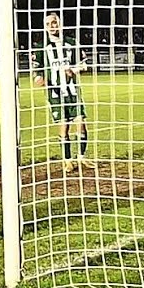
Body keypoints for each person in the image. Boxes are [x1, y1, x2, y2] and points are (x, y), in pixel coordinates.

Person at [32, 13, 91, 172]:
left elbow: (84, 65)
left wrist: (73, 70)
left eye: (54, 22)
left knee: (81, 124)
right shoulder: (41, 47)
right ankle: (67, 160)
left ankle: (81, 157)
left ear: (60, 24)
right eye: (48, 24)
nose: (52, 26)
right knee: (64, 126)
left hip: (73, 92)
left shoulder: (71, 43)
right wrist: (38, 79)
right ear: (45, 27)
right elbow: (36, 70)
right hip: (55, 94)